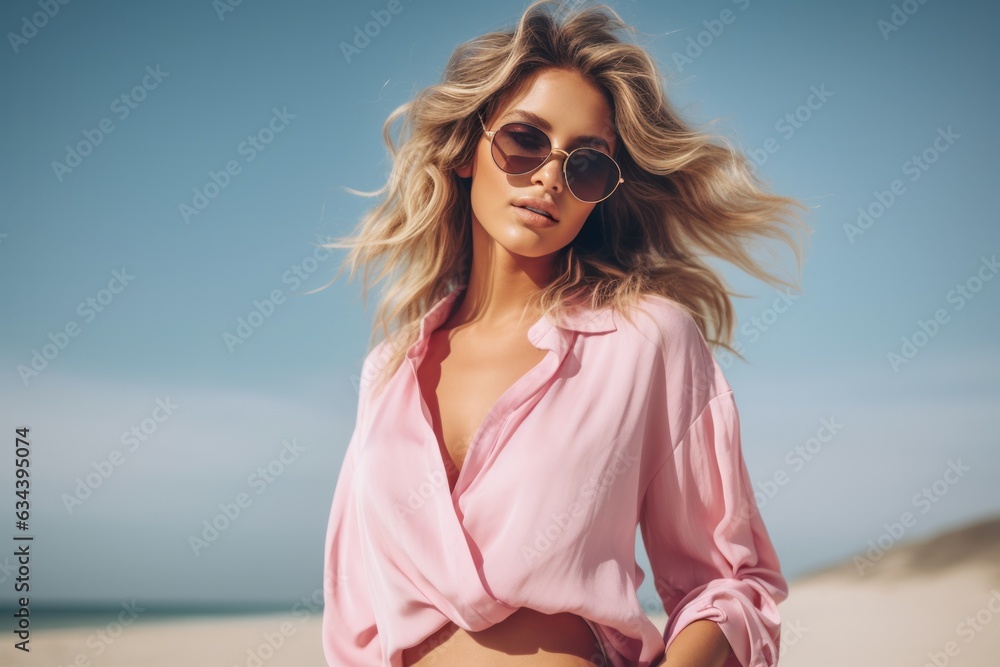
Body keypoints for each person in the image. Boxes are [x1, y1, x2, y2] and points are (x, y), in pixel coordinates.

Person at [318, 1, 811, 665]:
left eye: (586, 165)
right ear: (467, 149)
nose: (550, 176)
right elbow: (354, 621)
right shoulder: (386, 372)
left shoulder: (645, 340)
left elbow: (730, 585)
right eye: (524, 141)